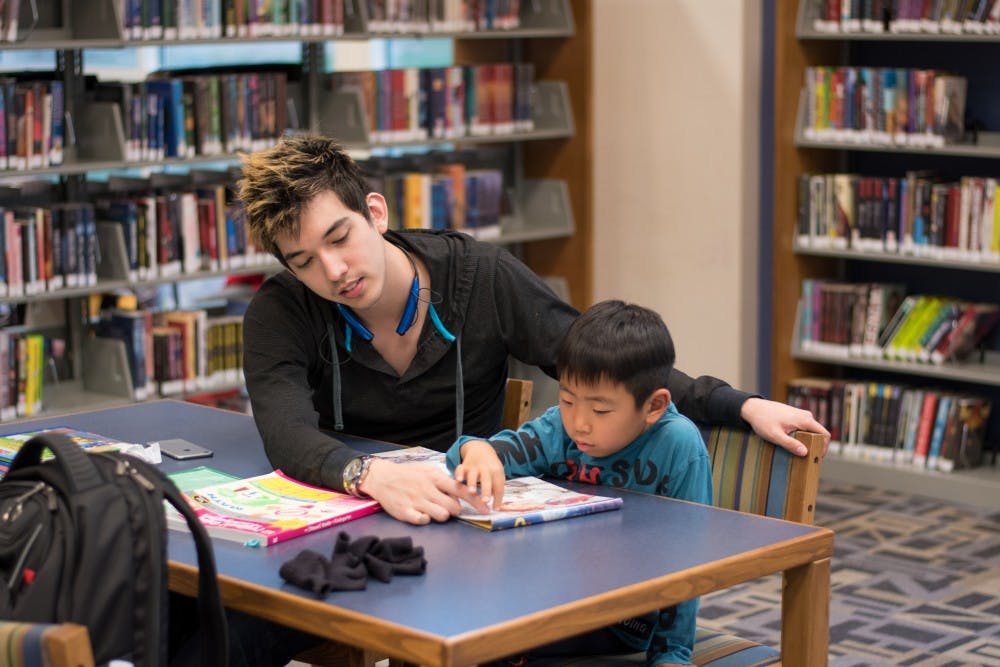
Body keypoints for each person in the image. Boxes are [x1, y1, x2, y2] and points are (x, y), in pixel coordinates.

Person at [237, 134, 829, 528]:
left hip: (463, 517)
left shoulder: (481, 278)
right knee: (213, 613)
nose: (333, 271)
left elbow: (599, 360)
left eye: (339, 239)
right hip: (347, 510)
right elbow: (285, 431)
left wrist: (741, 403)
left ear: (376, 213)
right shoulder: (282, 311)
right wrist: (372, 477)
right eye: (304, 260)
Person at [447, 300, 711, 666]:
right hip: (554, 593)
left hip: (626, 618)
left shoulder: (677, 445)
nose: (580, 423)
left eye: (600, 410)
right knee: (460, 623)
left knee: (487, 644)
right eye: (568, 399)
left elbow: (687, 560)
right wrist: (475, 450)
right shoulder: (561, 427)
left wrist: (672, 655)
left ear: (653, 406)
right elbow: (488, 454)